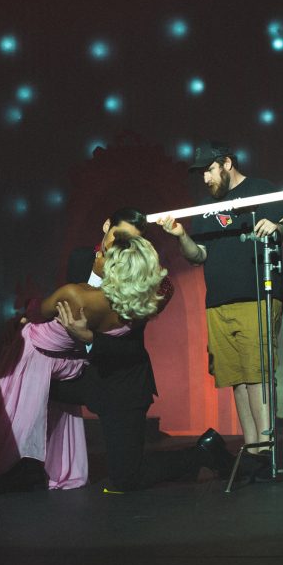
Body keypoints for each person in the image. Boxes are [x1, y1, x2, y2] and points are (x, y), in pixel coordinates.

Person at [0, 232, 168, 492]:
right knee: (18, 408)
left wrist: (32, 307)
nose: (97, 254)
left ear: (116, 269)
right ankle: (20, 459)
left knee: (14, 416)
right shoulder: (141, 305)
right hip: (67, 361)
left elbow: (36, 313)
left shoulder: (76, 295)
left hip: (48, 357)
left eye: (103, 254)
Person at [50, 207, 234, 492]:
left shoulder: (143, 275)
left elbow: (127, 344)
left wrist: (89, 337)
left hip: (122, 382)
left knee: (126, 478)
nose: (121, 245)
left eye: (131, 241)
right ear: (106, 226)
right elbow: (69, 307)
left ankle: (202, 453)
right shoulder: (81, 259)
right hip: (83, 373)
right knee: (37, 385)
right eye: (118, 236)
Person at [157, 141, 283, 470]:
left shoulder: (259, 189)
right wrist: (180, 235)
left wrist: (276, 227)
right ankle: (252, 449)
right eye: (202, 173)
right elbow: (198, 256)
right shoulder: (205, 207)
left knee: (258, 374)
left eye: (209, 170)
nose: (205, 178)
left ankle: (265, 451)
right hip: (219, 302)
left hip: (255, 298)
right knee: (237, 377)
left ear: (227, 163)